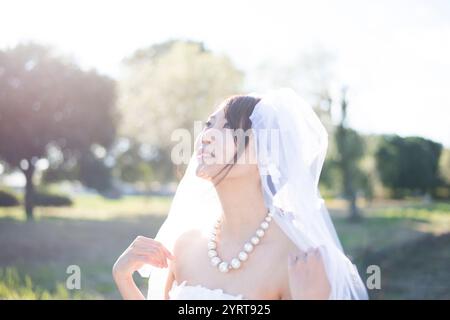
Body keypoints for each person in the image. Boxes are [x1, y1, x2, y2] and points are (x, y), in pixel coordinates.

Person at [113, 88, 368, 300]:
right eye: (209, 125)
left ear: (266, 155)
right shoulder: (184, 245)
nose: (207, 136)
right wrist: (124, 279)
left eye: (230, 128)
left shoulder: (297, 258)